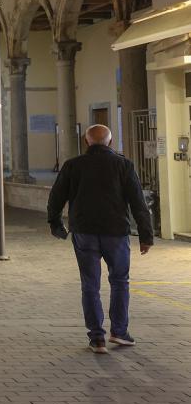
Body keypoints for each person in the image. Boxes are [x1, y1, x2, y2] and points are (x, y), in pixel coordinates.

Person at [47, 124, 153, 354]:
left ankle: (97, 338)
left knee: (90, 285)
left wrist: (55, 223)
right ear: (111, 143)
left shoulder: (73, 166)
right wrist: (146, 236)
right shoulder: (123, 165)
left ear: (86, 142)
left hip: (84, 232)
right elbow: (138, 203)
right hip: (116, 232)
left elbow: (56, 196)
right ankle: (119, 332)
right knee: (120, 281)